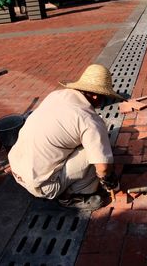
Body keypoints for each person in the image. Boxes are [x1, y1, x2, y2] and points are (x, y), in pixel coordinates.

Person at [8, 64, 124, 210]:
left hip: (16, 168)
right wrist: (109, 179)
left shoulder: (56, 95)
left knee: (91, 141)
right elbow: (103, 168)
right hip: (42, 186)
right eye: (104, 97)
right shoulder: (89, 121)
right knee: (97, 153)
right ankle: (70, 197)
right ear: (95, 95)